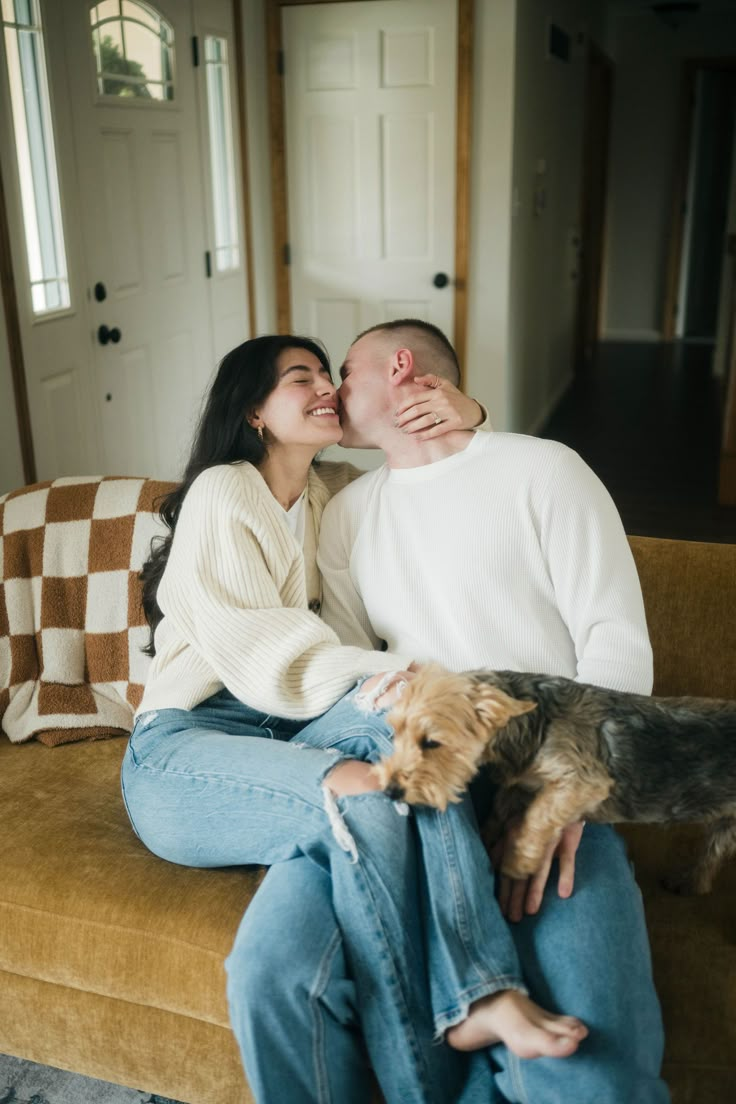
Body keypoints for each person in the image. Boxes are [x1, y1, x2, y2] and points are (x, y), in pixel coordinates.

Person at [120, 334, 584, 1104]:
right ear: (255, 413)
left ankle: (477, 1000)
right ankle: (477, 992)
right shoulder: (224, 491)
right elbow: (260, 650)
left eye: (327, 374)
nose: (325, 387)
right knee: (368, 789)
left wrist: (471, 409)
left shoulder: (329, 492)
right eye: (299, 377)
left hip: (297, 731)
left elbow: (425, 453)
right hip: (190, 744)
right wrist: (385, 674)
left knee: (408, 747)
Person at [238, 320, 672, 1103]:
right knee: (271, 972)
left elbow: (615, 638)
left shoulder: (545, 470)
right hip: (397, 797)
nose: (330, 389)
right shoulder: (347, 512)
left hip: (539, 777)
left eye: (342, 368)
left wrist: (569, 787)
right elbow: (345, 666)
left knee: (594, 1064)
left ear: (399, 365)